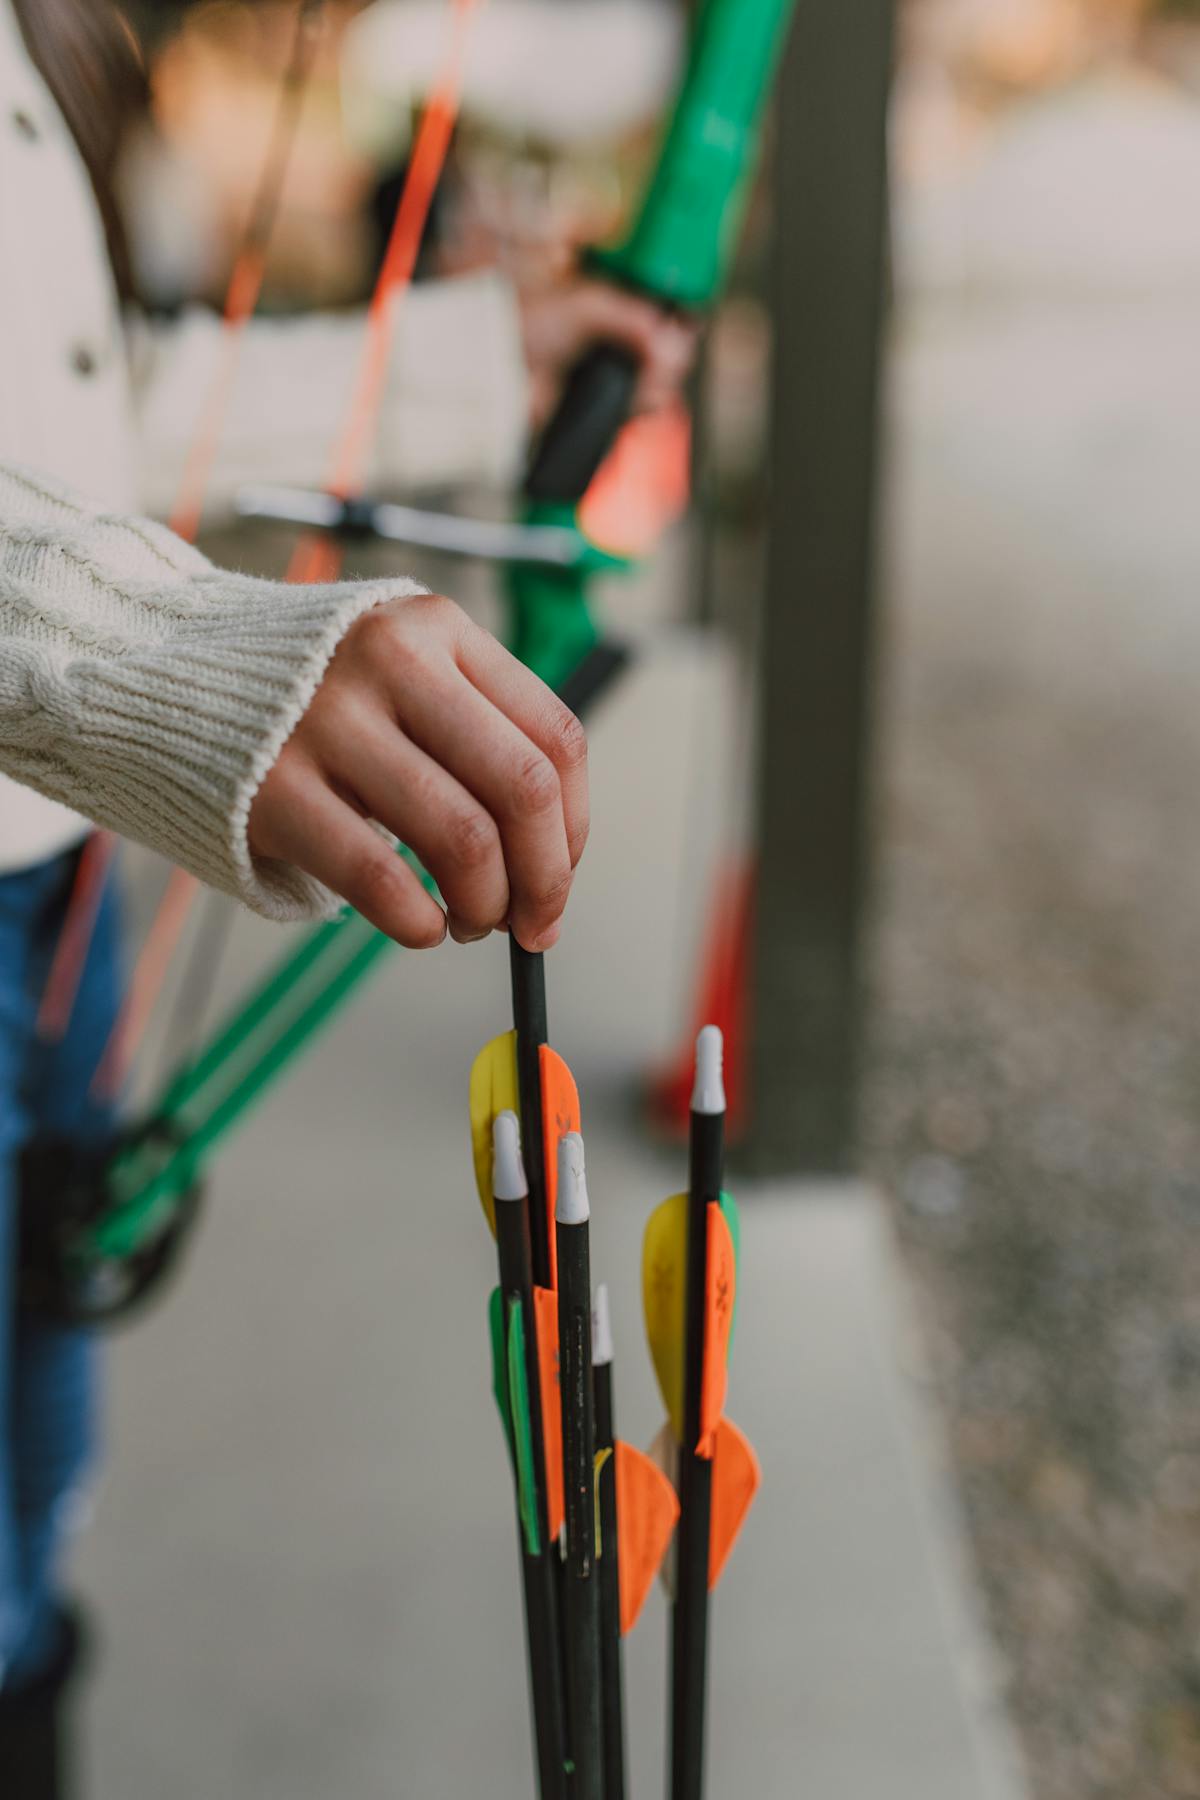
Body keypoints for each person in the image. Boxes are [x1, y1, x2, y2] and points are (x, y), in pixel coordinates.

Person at [0, 2, 694, 1791]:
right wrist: (166, 645)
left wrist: (471, 363)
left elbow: (90, 405)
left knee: (28, 1482)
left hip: (45, 861)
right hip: (61, 776)